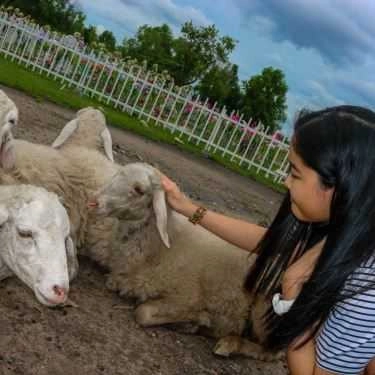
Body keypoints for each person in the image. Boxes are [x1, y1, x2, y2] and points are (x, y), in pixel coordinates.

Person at [161, 105, 375, 375]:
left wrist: (293, 295)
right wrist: (188, 208)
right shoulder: (353, 232)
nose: (286, 182)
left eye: (295, 173)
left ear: (339, 186)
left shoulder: (366, 288)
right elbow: (273, 243)